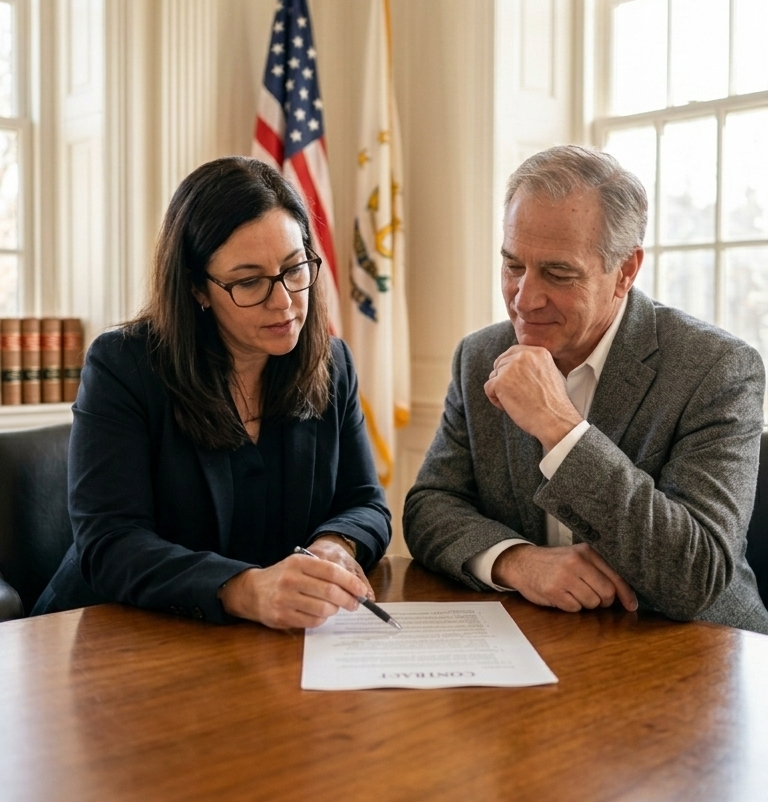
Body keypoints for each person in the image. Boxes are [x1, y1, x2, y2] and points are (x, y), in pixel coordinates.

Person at [404, 145, 768, 633]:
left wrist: (561, 428)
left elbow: (695, 575)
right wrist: (519, 561)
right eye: (513, 265)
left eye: (558, 274)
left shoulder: (717, 369)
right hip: (549, 643)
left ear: (625, 272)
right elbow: (430, 506)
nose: (524, 299)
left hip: (702, 653)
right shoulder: (479, 357)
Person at [33, 157, 390, 629]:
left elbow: (365, 502)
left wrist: (335, 544)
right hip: (112, 634)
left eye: (294, 268)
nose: (283, 301)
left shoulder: (332, 362)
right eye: (249, 282)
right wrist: (244, 589)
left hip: (254, 646)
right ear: (197, 288)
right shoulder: (123, 366)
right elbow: (110, 543)